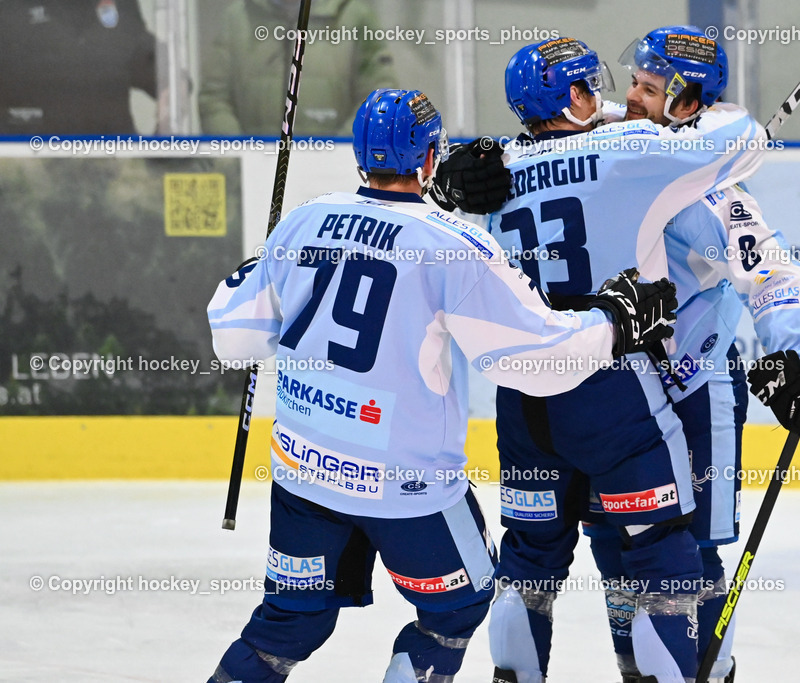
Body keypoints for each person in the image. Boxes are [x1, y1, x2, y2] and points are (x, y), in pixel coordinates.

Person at [204, 87, 680, 683]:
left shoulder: (302, 221)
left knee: (289, 621)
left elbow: (235, 339)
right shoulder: (451, 245)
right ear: (431, 156)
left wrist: (264, 263)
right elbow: (533, 359)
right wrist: (613, 321)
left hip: (305, 472)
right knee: (455, 606)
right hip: (406, 486)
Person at [437, 37, 767, 683]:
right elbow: (744, 140)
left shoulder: (494, 171)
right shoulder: (629, 152)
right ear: (573, 98)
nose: (602, 97)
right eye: (589, 88)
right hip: (616, 387)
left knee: (529, 559)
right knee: (661, 550)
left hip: (522, 400)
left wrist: (450, 175)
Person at [578, 26, 800, 683]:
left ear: (686, 101)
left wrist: (785, 362)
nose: (630, 97)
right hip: (617, 387)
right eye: (632, 82)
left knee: (691, 547)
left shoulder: (707, 192)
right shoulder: (624, 140)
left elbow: (771, 273)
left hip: (694, 385)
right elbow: (576, 119)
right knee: (614, 540)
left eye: (648, 88)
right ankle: (641, 668)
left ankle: (707, 669)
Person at [199, 0, 397, 135]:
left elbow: (379, 99)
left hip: (333, 180)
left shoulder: (354, 17)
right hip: (255, 182)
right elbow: (214, 99)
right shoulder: (238, 18)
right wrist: (243, 155)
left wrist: (340, 153)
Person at [0, 0, 155, 134]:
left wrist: (169, 92)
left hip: (115, 157)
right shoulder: (9, 9)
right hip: (27, 155)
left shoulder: (119, 5)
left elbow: (151, 64)